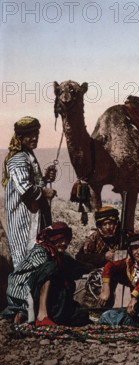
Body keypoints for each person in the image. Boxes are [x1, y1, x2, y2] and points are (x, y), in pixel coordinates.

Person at [1, 222, 90, 326]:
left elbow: (79, 267)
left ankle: (40, 317)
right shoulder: (40, 251)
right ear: (53, 239)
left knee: (81, 315)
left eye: (66, 240)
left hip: (51, 300)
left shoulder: (61, 255)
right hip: (26, 294)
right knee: (51, 267)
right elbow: (45, 273)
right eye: (60, 240)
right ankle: (40, 316)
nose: (64, 243)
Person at [2, 116, 56, 267]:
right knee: (24, 262)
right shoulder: (18, 158)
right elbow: (25, 190)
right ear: (20, 137)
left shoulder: (28, 155)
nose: (34, 138)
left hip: (34, 218)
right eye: (29, 135)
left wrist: (45, 179)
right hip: (23, 221)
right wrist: (44, 192)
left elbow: (31, 184)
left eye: (36, 134)